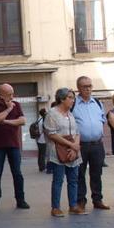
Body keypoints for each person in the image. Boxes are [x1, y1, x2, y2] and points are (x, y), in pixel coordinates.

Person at [0, 84, 29, 210]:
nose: (12, 96)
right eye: (9, 94)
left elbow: (22, 121)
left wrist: (5, 121)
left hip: (14, 144)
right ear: (1, 95)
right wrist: (8, 110)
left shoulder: (17, 104)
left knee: (17, 173)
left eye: (12, 93)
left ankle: (20, 200)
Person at [72, 76, 109, 210]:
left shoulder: (98, 103)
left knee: (97, 173)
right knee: (79, 173)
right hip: (80, 145)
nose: (88, 89)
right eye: (84, 86)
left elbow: (102, 121)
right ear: (79, 88)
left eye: (89, 86)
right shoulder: (73, 104)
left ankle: (97, 200)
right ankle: (81, 200)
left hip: (97, 145)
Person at [45, 88, 84, 217]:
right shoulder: (52, 114)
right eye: (70, 97)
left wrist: (74, 147)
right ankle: (55, 207)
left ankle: (73, 205)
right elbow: (52, 134)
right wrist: (71, 144)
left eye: (73, 98)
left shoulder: (70, 114)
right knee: (58, 180)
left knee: (73, 180)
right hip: (58, 151)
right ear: (61, 99)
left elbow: (77, 132)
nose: (73, 100)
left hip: (72, 151)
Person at [34, 109, 49, 173]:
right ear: (44, 113)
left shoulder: (38, 119)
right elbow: (45, 130)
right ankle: (42, 167)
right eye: (45, 112)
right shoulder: (43, 120)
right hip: (43, 139)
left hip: (38, 139)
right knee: (43, 154)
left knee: (40, 154)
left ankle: (40, 166)